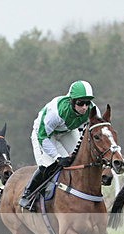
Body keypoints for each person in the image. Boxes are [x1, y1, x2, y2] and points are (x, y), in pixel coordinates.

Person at [20, 80, 95, 210]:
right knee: (49, 164)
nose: (84, 107)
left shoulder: (92, 110)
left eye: (87, 103)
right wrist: (57, 157)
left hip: (66, 131)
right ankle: (28, 194)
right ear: (72, 101)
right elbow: (43, 136)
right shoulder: (56, 113)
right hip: (44, 134)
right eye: (80, 103)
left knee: (79, 159)